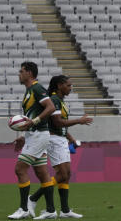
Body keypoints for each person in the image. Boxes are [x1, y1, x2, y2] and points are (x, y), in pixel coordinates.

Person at [26, 75, 93, 219]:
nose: (70, 88)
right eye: (68, 85)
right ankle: (33, 199)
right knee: (62, 174)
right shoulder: (54, 100)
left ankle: (65, 210)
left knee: (66, 175)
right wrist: (79, 121)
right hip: (53, 140)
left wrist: (71, 139)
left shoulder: (60, 100)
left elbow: (61, 125)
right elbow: (57, 123)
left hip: (61, 139)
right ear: (59, 85)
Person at [8, 61, 57, 220]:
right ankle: (50, 210)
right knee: (42, 173)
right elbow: (29, 118)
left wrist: (34, 122)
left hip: (39, 135)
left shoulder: (37, 88)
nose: (19, 74)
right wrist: (23, 136)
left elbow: (50, 107)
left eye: (21, 71)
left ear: (29, 73)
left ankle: (23, 209)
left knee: (20, 169)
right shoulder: (29, 91)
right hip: (34, 135)